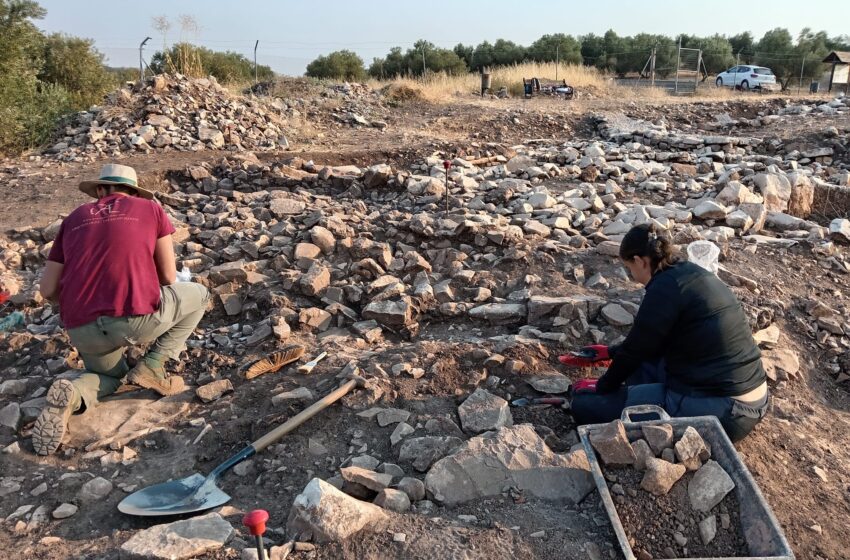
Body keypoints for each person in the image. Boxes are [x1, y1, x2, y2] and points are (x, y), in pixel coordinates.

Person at [34, 164, 209, 456]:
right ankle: (152, 366)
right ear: (133, 191)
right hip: (135, 320)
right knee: (201, 295)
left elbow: (48, 290)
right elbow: (168, 276)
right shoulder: (150, 209)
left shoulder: (74, 218)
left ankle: (74, 394)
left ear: (100, 190)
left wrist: (81, 304)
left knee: (111, 377)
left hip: (82, 328)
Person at [565, 224, 768, 442]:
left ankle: (621, 400)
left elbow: (636, 351)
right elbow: (648, 342)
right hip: (751, 400)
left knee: (584, 406)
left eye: (629, 268)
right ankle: (634, 394)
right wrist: (611, 353)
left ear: (640, 261)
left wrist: (602, 388)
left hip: (723, 411)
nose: (632, 276)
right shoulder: (686, 273)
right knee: (641, 367)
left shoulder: (663, 290)